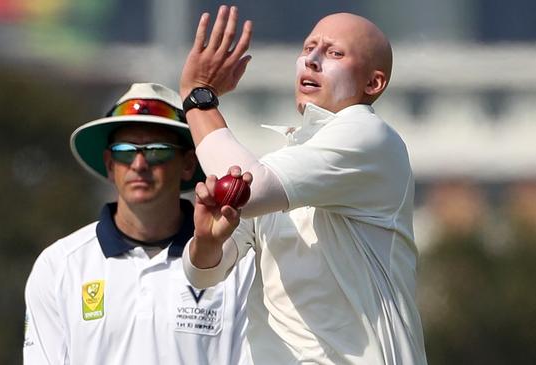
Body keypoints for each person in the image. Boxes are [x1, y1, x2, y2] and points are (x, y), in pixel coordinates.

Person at [179, 6, 428, 365]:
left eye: (334, 53)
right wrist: (207, 241)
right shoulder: (288, 161)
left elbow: (247, 190)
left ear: (373, 84)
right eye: (308, 47)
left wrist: (197, 97)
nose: (311, 60)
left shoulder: (369, 136)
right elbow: (204, 274)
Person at [23, 83, 255, 364]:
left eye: (157, 150)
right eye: (124, 151)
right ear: (110, 163)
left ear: (188, 164)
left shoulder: (235, 264)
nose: (139, 164)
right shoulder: (59, 265)